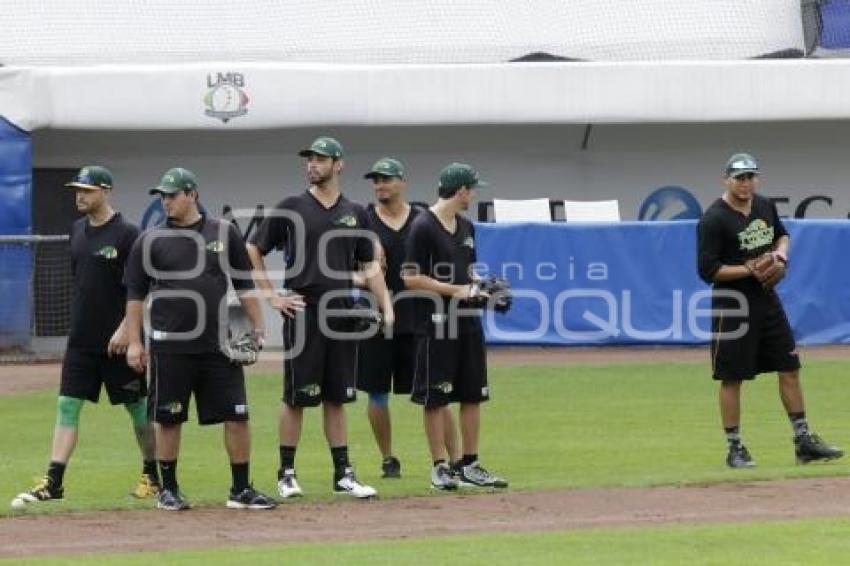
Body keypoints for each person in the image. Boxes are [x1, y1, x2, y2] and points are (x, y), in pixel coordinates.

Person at [246, 137, 394, 499]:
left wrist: (386, 307)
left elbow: (369, 265)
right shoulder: (292, 206)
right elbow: (253, 248)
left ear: (338, 164)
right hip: (305, 311)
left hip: (343, 315)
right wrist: (271, 296)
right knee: (297, 397)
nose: (311, 164)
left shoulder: (356, 212)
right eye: (309, 159)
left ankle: (343, 474)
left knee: (338, 397)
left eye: (320, 159)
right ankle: (286, 472)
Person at [125, 167, 276, 511]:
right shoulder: (149, 240)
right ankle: (170, 490)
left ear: (193, 194)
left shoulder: (223, 232)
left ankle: (240, 490)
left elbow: (244, 284)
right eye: (162, 195)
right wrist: (135, 342)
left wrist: (258, 325)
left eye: (172, 195)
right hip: (169, 346)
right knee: (169, 418)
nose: (166, 201)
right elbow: (135, 294)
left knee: (238, 415)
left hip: (218, 346)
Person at [11, 166, 159, 509]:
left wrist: (127, 328)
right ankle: (54, 481)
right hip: (81, 342)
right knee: (67, 405)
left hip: (121, 341)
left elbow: (143, 287)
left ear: (106, 191)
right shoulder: (76, 230)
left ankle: (151, 475)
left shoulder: (128, 234)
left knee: (137, 410)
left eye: (87, 190)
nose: (80, 195)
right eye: (77, 189)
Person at [697, 152, 844, 468]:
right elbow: (708, 270)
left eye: (751, 176)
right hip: (733, 304)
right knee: (732, 377)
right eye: (740, 177)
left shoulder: (764, 205)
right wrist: (749, 269)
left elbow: (782, 234)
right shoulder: (714, 218)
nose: (746, 183)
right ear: (727, 180)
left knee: (789, 367)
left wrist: (780, 255)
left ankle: (803, 441)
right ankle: (735, 448)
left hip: (766, 299)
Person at [402, 162, 508, 490]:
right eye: (472, 189)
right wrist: (457, 290)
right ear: (461, 190)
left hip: (468, 322)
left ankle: (470, 463)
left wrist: (483, 286)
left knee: (473, 394)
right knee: (436, 398)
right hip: (436, 323)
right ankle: (440, 466)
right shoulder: (423, 225)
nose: (474, 195)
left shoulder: (466, 226)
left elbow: (469, 269)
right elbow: (410, 277)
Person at [356, 157, 460, 479]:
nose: (380, 185)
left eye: (386, 179)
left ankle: (455, 461)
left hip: (421, 319)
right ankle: (389, 459)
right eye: (376, 180)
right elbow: (347, 268)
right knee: (376, 392)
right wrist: (365, 276)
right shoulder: (364, 221)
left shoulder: (423, 218)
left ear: (403, 181)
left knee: (436, 393)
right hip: (379, 320)